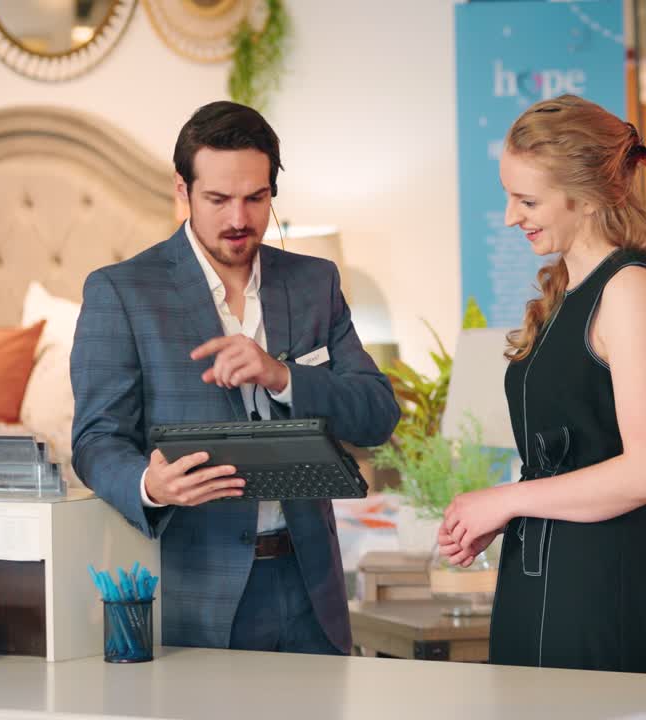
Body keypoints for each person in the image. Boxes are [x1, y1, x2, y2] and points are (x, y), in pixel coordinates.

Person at [70, 100, 400, 656]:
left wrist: (283, 376)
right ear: (183, 190)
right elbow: (95, 441)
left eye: (256, 198)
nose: (239, 220)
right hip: (197, 592)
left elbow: (377, 415)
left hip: (310, 588)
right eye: (218, 199)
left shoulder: (315, 282)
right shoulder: (122, 292)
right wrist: (149, 486)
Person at [438, 94, 646, 673]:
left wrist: (505, 500)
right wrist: (502, 517)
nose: (508, 217)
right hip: (540, 579)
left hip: (601, 590)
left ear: (590, 199)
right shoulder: (568, 294)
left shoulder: (629, 290)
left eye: (527, 200)